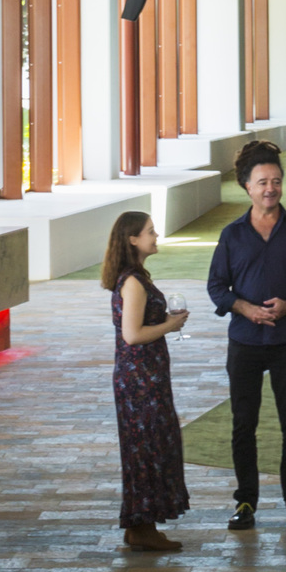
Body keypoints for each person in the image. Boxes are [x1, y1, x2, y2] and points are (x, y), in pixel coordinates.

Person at [206, 140, 286, 532]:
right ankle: (245, 502)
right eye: (262, 182)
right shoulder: (232, 235)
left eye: (276, 181)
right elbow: (217, 287)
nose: (270, 188)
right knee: (244, 423)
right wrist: (244, 307)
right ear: (246, 186)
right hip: (244, 343)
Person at [104, 210, 190, 552]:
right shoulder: (133, 282)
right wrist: (169, 325)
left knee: (146, 445)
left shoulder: (134, 277)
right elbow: (133, 334)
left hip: (143, 376)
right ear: (132, 240)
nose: (156, 236)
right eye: (150, 232)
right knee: (147, 447)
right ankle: (142, 525)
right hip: (140, 379)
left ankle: (140, 523)